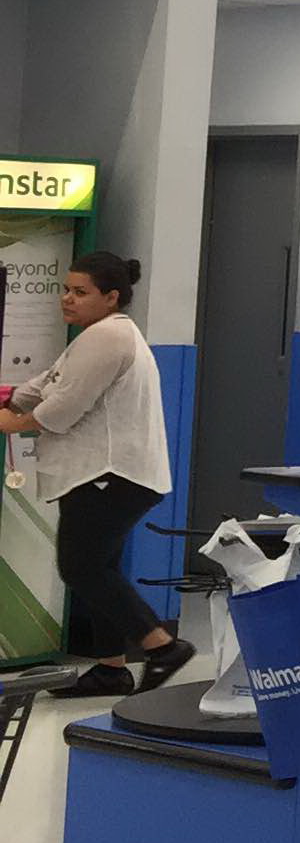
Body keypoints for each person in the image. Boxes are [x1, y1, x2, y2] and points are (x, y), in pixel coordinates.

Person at [0, 252, 186, 699]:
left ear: (111, 297)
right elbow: (48, 381)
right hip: (113, 473)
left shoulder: (109, 338)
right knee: (99, 568)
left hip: (110, 473)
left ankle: (163, 646)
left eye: (80, 292)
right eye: (66, 289)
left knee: (81, 567)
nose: (67, 298)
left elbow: (60, 410)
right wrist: (14, 400)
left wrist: (10, 422)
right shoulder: (97, 335)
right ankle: (110, 670)